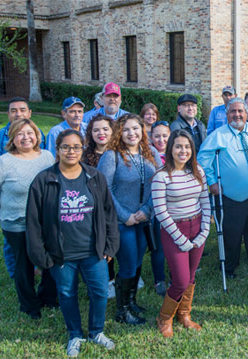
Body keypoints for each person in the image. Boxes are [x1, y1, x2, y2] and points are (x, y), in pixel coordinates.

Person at [26, 129, 120, 357]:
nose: (71, 151)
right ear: (57, 150)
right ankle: (75, 334)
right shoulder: (44, 180)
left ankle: (96, 331)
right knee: (67, 294)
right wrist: (42, 256)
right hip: (61, 254)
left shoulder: (94, 177)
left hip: (93, 250)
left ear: (82, 149)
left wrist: (110, 245)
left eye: (76, 147)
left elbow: (108, 213)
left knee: (99, 292)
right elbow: (34, 223)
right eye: (65, 147)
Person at [0, 118, 57, 320]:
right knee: (24, 264)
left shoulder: (47, 157)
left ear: (37, 135)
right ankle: (29, 305)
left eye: (29, 133)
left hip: (43, 220)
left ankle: (48, 297)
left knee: (49, 260)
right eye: (20, 134)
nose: (26, 137)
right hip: (16, 221)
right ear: (12, 138)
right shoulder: (4, 162)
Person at [97, 114, 162, 325]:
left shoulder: (150, 153)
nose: (132, 133)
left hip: (144, 219)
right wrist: (125, 216)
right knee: (126, 265)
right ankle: (122, 311)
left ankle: (131, 301)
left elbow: (159, 184)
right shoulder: (111, 156)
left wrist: (147, 209)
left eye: (136, 128)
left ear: (143, 130)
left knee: (136, 263)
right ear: (119, 132)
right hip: (121, 221)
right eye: (126, 129)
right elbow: (104, 189)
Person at [197, 98, 248, 278]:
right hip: (230, 196)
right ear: (227, 115)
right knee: (231, 233)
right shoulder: (217, 136)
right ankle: (229, 265)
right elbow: (203, 161)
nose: (237, 115)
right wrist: (211, 182)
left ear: (246, 113)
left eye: (240, 111)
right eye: (233, 112)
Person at [152, 129, 211, 338]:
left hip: (197, 227)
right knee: (181, 280)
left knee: (191, 276)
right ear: (171, 149)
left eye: (187, 147)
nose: (183, 151)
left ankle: (184, 315)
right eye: (178, 146)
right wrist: (180, 238)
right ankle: (164, 317)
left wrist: (204, 231)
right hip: (173, 230)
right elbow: (160, 211)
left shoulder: (198, 171)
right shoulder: (161, 176)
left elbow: (205, 201)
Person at [0, 97, 46, 280]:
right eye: (13, 110)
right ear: (8, 113)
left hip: (37, 201)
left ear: (29, 113)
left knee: (38, 237)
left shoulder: (38, 133)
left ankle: (37, 268)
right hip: (13, 201)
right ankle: (16, 273)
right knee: (13, 243)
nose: (18, 113)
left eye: (22, 110)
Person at [81, 115, 117, 297]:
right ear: (90, 133)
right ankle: (106, 280)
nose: (101, 133)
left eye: (105, 129)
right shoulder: (84, 157)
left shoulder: (120, 153)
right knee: (102, 245)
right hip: (94, 209)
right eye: (96, 130)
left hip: (117, 207)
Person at [149, 120, 172, 295]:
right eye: (157, 136)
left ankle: (175, 275)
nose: (161, 139)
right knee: (159, 245)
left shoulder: (176, 152)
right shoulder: (147, 155)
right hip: (157, 206)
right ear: (150, 137)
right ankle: (159, 280)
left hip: (175, 204)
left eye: (165, 135)